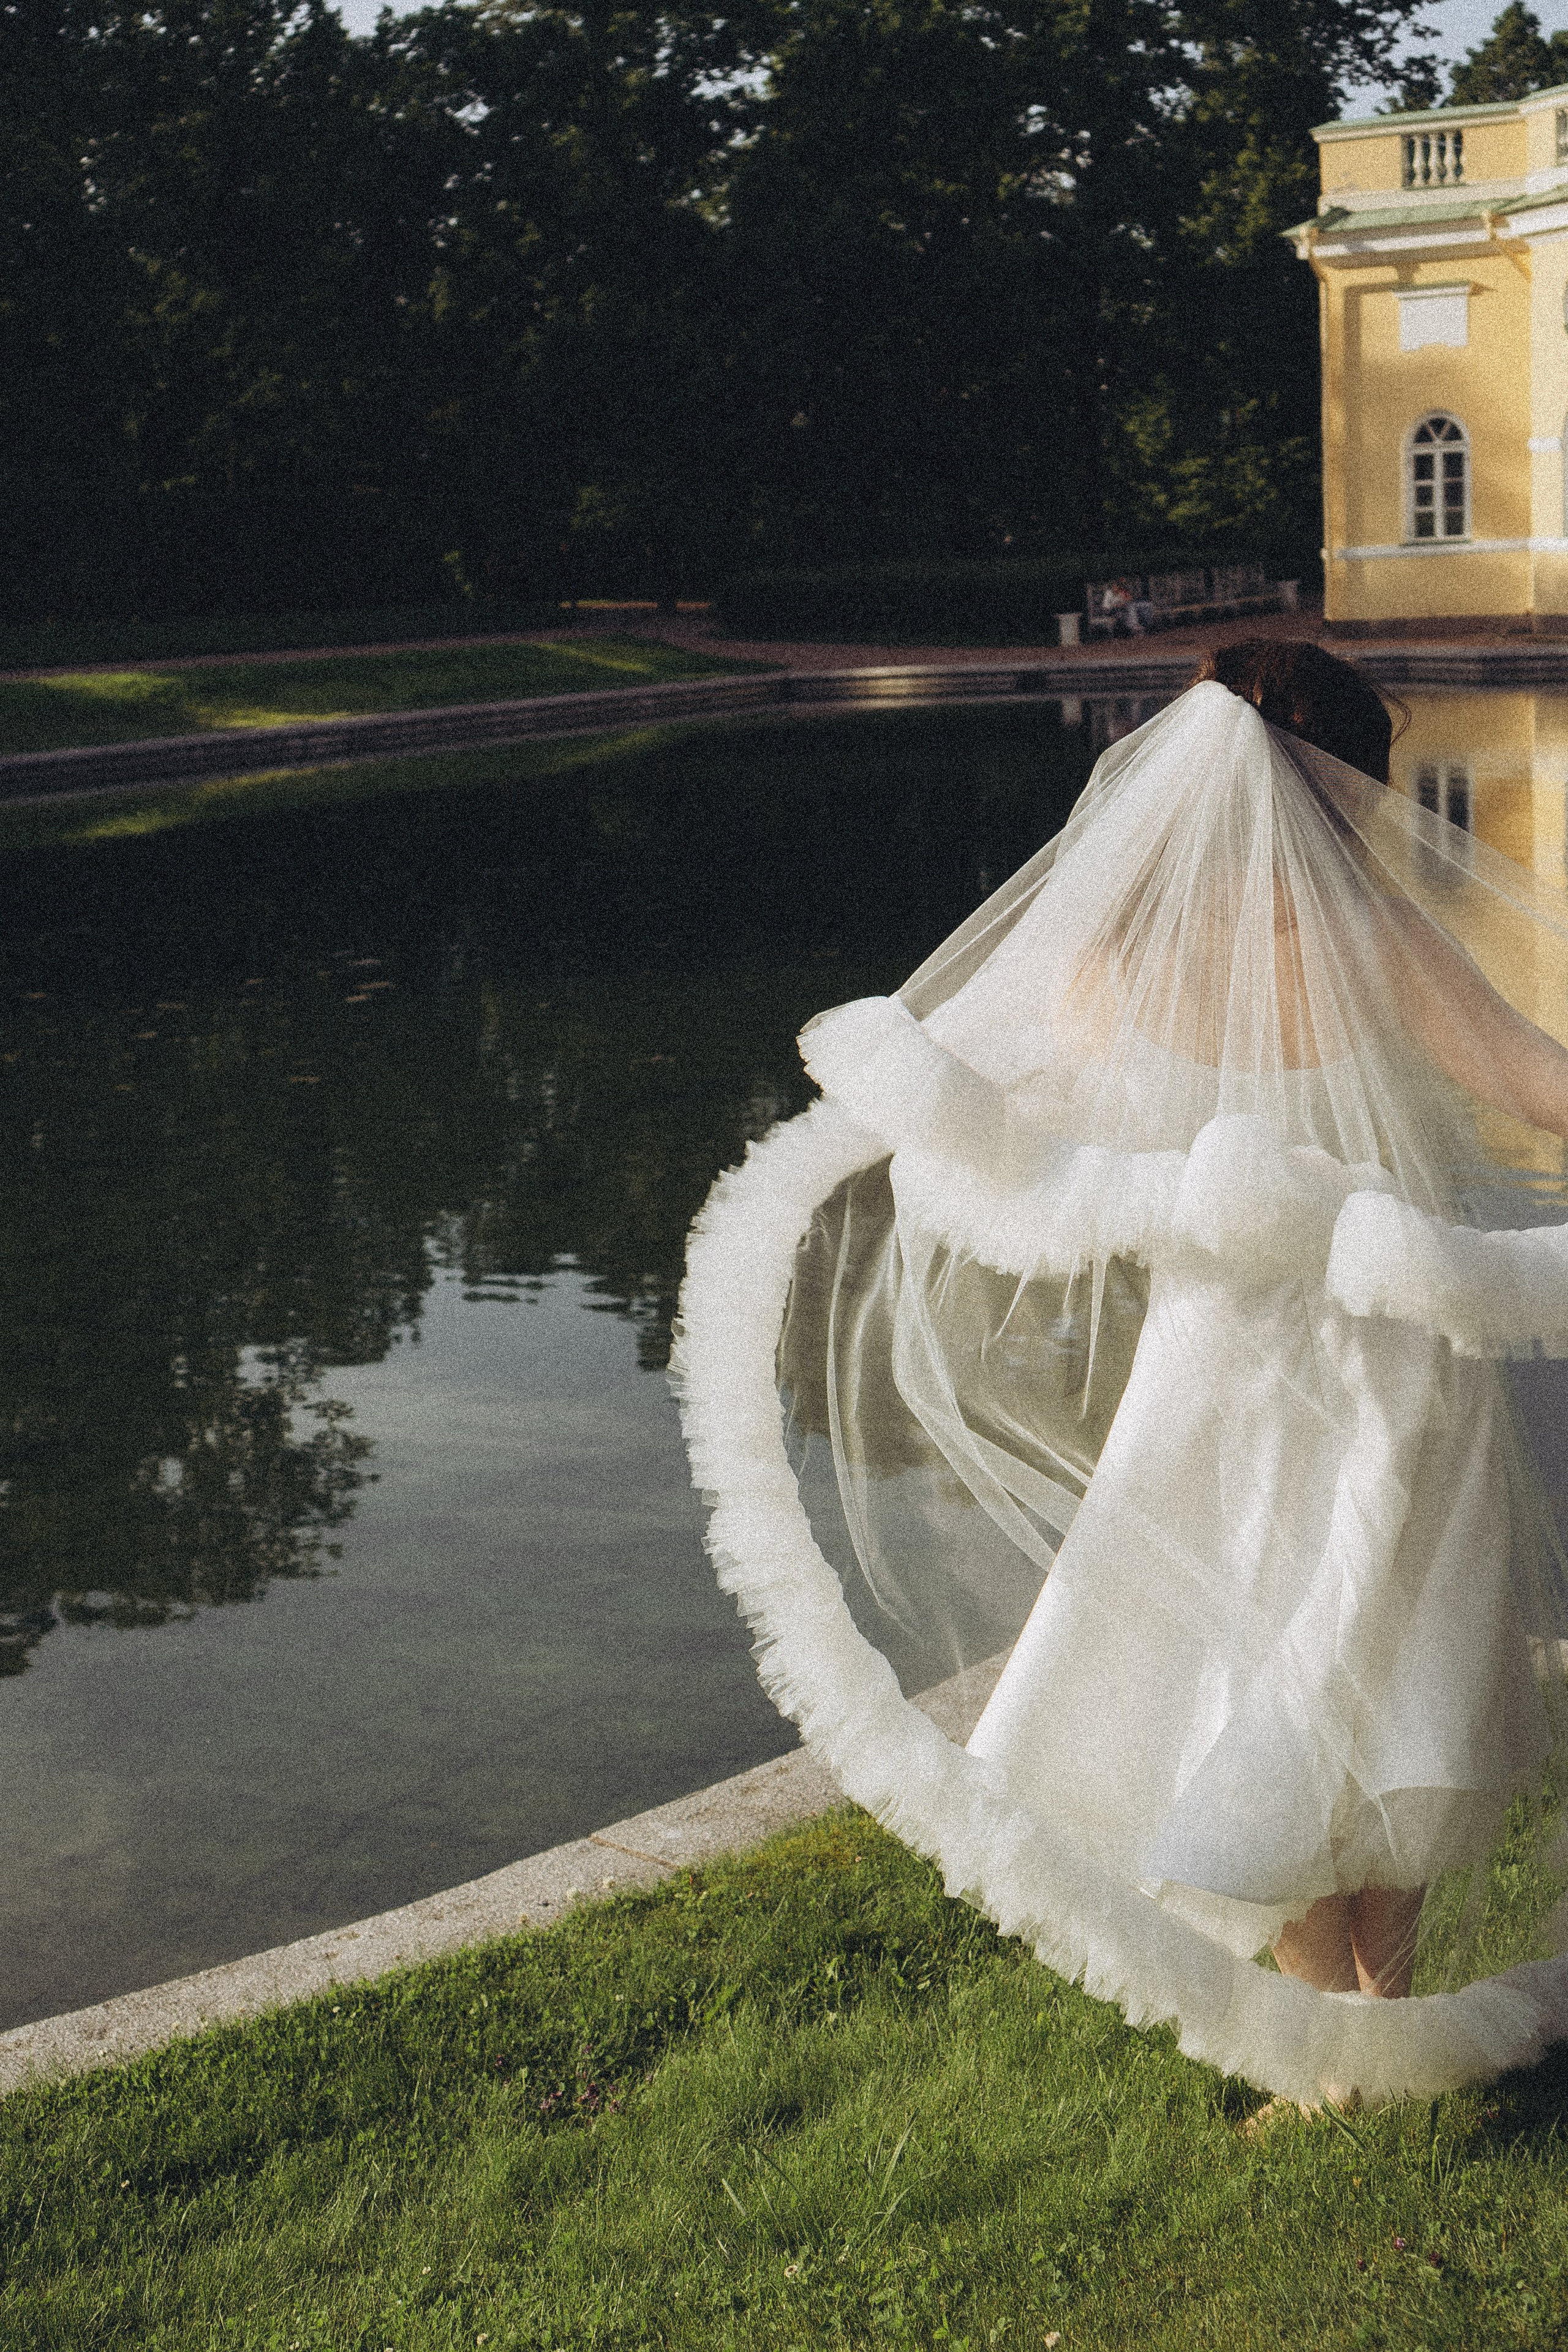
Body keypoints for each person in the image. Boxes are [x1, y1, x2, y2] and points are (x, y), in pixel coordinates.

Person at [673, 640, 1568, 2108]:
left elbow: (978, 1121)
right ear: (1337, 789)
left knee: (1249, 1677)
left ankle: (1341, 2063)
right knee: (1379, 1673)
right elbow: (1541, 1085)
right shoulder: (1377, 941)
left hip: (1213, 1377)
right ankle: (1366, 2036)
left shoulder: (1098, 962)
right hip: (1393, 1355)